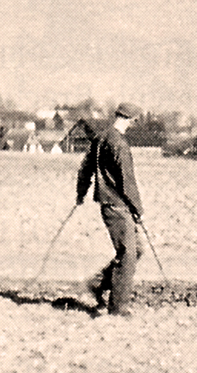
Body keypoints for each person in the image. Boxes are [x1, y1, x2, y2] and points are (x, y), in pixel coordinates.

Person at [77, 103, 144, 316]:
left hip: (110, 205)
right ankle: (118, 308)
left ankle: (97, 284)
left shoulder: (100, 138)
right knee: (128, 255)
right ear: (131, 120)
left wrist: (81, 193)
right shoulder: (120, 145)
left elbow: (85, 168)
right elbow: (128, 181)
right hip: (118, 206)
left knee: (137, 249)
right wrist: (138, 210)